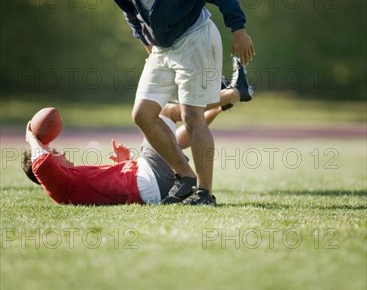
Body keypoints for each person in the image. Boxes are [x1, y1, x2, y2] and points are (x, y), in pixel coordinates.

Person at [109, 0, 255, 206]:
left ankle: (204, 192)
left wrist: (238, 30)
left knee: (191, 115)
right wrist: (148, 44)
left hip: (195, 38)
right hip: (162, 47)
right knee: (142, 114)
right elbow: (131, 15)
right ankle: (184, 176)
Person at [22, 83, 246, 206]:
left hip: (152, 186)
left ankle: (218, 106)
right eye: (54, 152)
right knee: (166, 111)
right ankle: (233, 93)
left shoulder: (71, 181)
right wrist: (31, 135)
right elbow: (41, 164)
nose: (58, 152)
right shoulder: (57, 185)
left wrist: (123, 165)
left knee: (169, 142)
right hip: (148, 182)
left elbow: (110, 190)